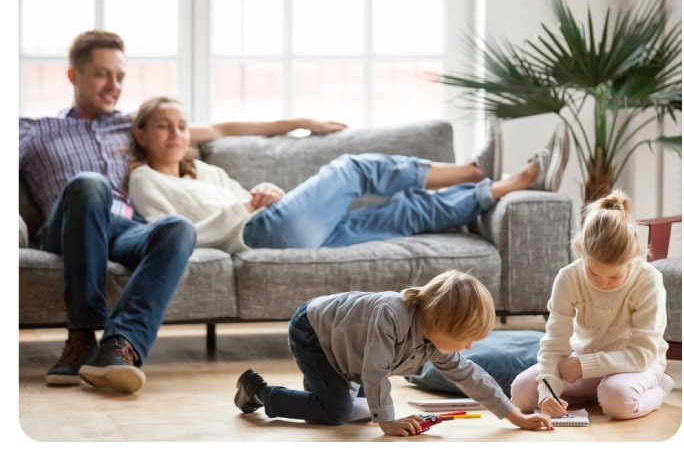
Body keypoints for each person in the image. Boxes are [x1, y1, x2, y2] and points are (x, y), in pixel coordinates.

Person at [17, 30, 344, 393]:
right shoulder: (34, 131)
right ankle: (81, 337)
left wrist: (300, 123)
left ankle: (119, 347)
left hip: (125, 228)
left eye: (120, 76)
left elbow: (221, 128)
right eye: (101, 74)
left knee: (177, 227)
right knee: (89, 183)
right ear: (73, 75)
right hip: (68, 229)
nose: (113, 85)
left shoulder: (129, 125)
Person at [127, 97, 571, 254]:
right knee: (353, 168)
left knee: (404, 213)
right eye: (163, 125)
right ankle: (473, 170)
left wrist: (264, 191)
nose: (175, 133)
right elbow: (171, 234)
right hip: (258, 233)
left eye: (181, 125)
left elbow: (250, 197)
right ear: (142, 134)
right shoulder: (145, 180)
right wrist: (246, 207)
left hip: (282, 224)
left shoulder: (204, 169)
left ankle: (508, 184)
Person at [232, 270, 553, 435]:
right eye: (465, 339)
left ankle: (321, 392)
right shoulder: (391, 316)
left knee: (352, 410)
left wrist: (516, 416)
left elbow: (472, 377)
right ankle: (259, 392)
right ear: (442, 323)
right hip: (313, 333)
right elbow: (375, 371)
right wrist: (388, 422)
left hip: (347, 350)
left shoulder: (435, 341)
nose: (468, 347)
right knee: (338, 412)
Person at [510, 189, 675, 419]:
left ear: (634, 258)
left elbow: (642, 354)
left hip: (637, 363)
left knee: (617, 401)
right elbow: (554, 344)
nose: (603, 283)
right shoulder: (568, 277)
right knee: (521, 394)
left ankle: (656, 390)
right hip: (585, 358)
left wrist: (583, 366)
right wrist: (548, 392)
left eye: (614, 277)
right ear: (581, 251)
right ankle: (595, 392)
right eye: (593, 273)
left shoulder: (648, 280)